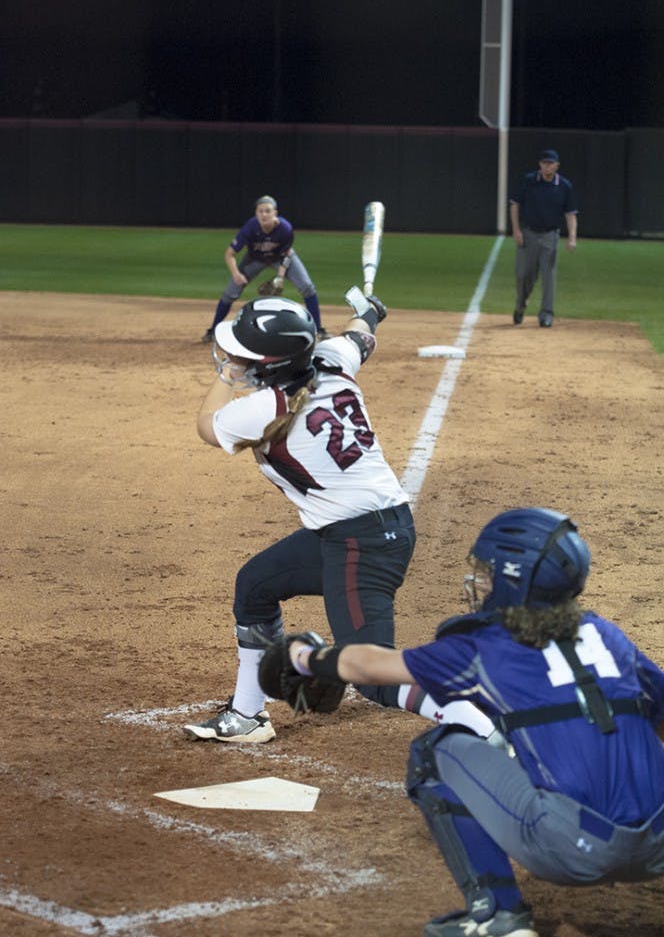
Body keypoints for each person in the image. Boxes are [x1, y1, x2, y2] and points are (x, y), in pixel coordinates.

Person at [283, 507, 664, 937]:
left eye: (488, 573)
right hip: (658, 846)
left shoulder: (486, 647)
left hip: (574, 851)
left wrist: (303, 657)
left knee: (434, 753)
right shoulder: (608, 636)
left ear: (512, 581)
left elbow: (370, 666)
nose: (480, 582)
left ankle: (497, 915)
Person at [184, 290, 462, 743]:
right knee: (255, 586)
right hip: (357, 532)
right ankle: (248, 715)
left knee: (372, 675)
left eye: (242, 351)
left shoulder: (260, 409)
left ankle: (485, 718)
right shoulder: (331, 358)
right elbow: (361, 338)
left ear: (269, 364)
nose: (233, 354)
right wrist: (367, 313)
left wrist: (231, 374)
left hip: (362, 545)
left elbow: (205, 425)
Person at [201, 194, 330, 343]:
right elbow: (229, 254)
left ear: (275, 213)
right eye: (260, 211)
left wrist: (280, 276)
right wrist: (236, 274)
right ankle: (213, 330)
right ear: (256, 214)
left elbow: (287, 253)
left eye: (268, 211)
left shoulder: (285, 228)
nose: (264, 214)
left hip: (279, 258)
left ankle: (318, 329)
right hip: (254, 259)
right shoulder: (250, 228)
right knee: (230, 293)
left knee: (307, 287)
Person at [509, 149, 578, 328]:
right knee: (523, 275)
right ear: (540, 164)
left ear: (557, 165)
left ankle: (546, 314)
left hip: (550, 235)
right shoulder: (528, 181)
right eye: (544, 163)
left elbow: (570, 214)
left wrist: (572, 238)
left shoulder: (564, 186)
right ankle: (520, 305)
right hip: (528, 233)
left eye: (551, 163)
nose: (547, 166)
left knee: (549, 277)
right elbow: (515, 205)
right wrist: (516, 230)